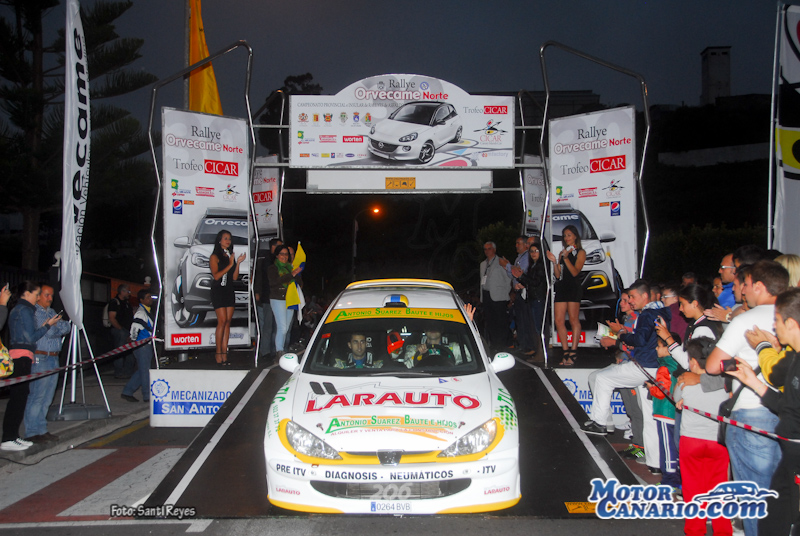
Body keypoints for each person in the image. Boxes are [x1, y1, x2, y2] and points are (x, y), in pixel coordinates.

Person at [705, 260, 790, 536]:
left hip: (752, 411)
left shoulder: (745, 320)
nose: (742, 290)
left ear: (760, 286)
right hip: (789, 414)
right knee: (783, 497)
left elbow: (712, 365)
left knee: (755, 497)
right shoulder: (792, 316)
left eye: (747, 285)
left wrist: (739, 364)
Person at [726, 287, 800, 535]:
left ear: (791, 324)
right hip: (789, 456)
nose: (774, 327)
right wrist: (753, 382)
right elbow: (786, 406)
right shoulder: (794, 358)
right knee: (771, 521)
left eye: (776, 320)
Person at [594, 280, 671, 475]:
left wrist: (621, 334)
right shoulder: (663, 311)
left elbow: (640, 339)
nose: (631, 301)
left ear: (645, 296)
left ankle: (599, 422)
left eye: (633, 297)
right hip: (656, 368)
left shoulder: (647, 314)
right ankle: (655, 463)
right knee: (651, 415)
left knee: (602, 378)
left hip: (644, 366)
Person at [672, 337, 732, 536]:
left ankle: (695, 530)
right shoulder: (724, 383)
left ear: (693, 362)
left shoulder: (685, 381)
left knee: (692, 488)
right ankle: (723, 531)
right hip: (718, 441)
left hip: (691, 441)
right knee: (719, 488)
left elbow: (676, 398)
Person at [2, 281, 61, 451]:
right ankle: (8, 437)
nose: (37, 298)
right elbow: (31, 337)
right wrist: (47, 326)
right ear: (27, 294)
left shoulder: (22, 309)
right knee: (19, 398)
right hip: (21, 356)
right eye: (36, 294)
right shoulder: (24, 310)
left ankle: (13, 436)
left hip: (24, 355)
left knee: (21, 397)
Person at [23, 284, 70, 443]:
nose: (50, 298)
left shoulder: (51, 312)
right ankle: (31, 432)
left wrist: (54, 324)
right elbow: (49, 332)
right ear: (38, 296)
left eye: (51, 295)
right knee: (37, 395)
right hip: (41, 357)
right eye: (46, 295)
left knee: (48, 396)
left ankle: (41, 429)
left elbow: (66, 327)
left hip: (53, 357)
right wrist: (55, 325)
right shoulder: (35, 312)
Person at [547, 225, 585, 366]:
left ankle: (573, 352)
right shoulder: (562, 253)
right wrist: (555, 262)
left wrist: (566, 258)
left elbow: (575, 272)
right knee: (558, 320)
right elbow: (558, 275)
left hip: (573, 288)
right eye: (565, 235)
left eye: (569, 235)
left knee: (574, 319)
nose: (566, 238)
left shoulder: (581, 252)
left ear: (575, 236)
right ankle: (565, 351)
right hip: (562, 287)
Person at [209, 229, 246, 366]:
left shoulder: (230, 255)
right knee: (222, 320)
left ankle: (225, 352)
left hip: (229, 290)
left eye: (229, 238)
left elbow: (234, 277)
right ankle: (218, 352)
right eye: (225, 238)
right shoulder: (214, 256)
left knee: (228, 321)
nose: (228, 241)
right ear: (219, 240)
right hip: (218, 290)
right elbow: (216, 276)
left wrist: (238, 263)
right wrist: (230, 264)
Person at [121, 290, 155, 403]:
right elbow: (135, 327)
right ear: (141, 300)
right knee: (145, 371)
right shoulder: (141, 313)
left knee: (142, 370)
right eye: (148, 297)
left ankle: (127, 391)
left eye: (150, 296)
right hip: (142, 345)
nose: (150, 299)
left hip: (144, 344)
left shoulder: (146, 311)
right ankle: (147, 395)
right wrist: (134, 340)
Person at [268, 244, 303, 357]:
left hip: (290, 299)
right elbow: (274, 282)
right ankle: (279, 351)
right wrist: (291, 274)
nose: (284, 256)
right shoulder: (273, 268)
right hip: (278, 299)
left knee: (286, 328)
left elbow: (300, 283)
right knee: (282, 327)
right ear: (277, 255)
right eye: (282, 254)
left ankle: (282, 350)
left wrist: (296, 274)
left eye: (286, 254)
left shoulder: (290, 267)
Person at [254, 237, 283, 360]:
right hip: (267, 297)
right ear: (273, 247)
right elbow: (260, 277)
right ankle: (265, 351)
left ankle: (273, 350)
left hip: (278, 297)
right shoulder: (266, 260)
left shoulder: (279, 260)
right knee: (268, 325)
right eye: (279, 246)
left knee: (277, 326)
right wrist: (257, 292)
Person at [518, 239, 548, 361]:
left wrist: (521, 276)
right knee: (534, 327)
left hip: (538, 299)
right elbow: (529, 281)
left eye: (536, 251)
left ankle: (540, 353)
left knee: (538, 327)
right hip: (533, 298)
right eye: (531, 251)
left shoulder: (541, 266)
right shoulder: (533, 265)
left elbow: (535, 282)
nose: (533, 253)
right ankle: (538, 351)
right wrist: (521, 277)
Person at [479, 241, 511, 351]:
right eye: (485, 249)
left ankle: (502, 344)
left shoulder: (501, 262)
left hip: (499, 295)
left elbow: (508, 279)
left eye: (489, 248)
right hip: (487, 294)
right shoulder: (483, 264)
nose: (487, 251)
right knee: (490, 321)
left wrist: (506, 292)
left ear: (494, 249)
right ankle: (493, 343)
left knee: (500, 321)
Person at [506, 236, 534, 354]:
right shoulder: (519, 257)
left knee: (525, 320)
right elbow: (512, 274)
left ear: (525, 245)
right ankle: (523, 345)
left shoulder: (527, 257)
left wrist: (507, 265)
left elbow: (519, 272)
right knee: (520, 320)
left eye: (518, 243)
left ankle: (528, 345)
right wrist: (508, 267)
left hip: (524, 292)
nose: (516, 246)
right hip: (518, 292)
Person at [107, 284, 134, 379]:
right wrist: (120, 329)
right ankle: (119, 372)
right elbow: (112, 318)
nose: (129, 293)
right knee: (120, 351)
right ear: (122, 292)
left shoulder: (127, 303)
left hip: (127, 330)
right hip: (120, 330)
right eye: (128, 291)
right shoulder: (115, 302)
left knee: (129, 352)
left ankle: (128, 372)